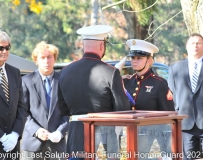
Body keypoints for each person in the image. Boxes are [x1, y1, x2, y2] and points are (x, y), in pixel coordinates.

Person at [58, 25, 130, 158]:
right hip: (106, 136)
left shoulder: (65, 71)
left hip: (76, 136)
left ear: (84, 45)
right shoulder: (111, 72)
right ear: (102, 46)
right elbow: (122, 108)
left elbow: (63, 108)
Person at [122, 39, 175, 155]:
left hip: (152, 135)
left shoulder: (159, 83)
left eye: (139, 58)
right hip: (129, 134)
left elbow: (167, 115)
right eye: (133, 58)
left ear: (149, 61)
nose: (134, 61)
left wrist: (165, 148)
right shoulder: (127, 82)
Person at [21, 41, 69, 160]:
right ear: (36, 60)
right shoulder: (26, 81)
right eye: (42, 58)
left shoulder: (63, 81)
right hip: (32, 146)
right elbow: (22, 112)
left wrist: (60, 132)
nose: (46, 61)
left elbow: (68, 112)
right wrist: (36, 130)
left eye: (49, 57)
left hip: (57, 146)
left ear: (54, 59)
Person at [0, 30, 28, 159]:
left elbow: (21, 106)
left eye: (7, 48)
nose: (5, 51)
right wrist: (2, 137)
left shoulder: (14, 73)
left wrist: (15, 134)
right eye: (0, 48)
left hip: (13, 146)